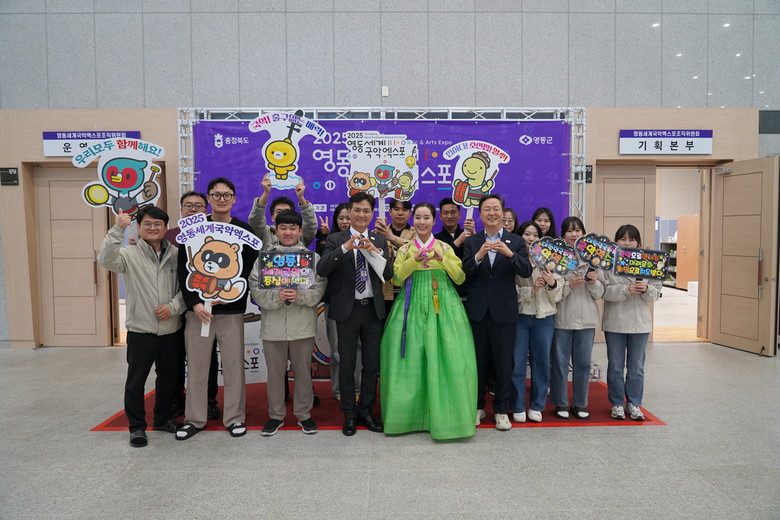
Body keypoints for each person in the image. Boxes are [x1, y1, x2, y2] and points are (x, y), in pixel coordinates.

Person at [379, 203, 477, 440]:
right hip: (410, 305)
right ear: (414, 221)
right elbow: (397, 279)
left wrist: (443, 259)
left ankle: (447, 419)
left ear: (434, 221)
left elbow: (460, 277)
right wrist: (413, 260)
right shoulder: (406, 249)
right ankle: (407, 418)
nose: (422, 222)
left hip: (444, 305)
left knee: (446, 357)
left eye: (427, 218)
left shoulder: (445, 247)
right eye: (418, 218)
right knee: (410, 359)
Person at [175, 177, 259, 440]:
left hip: (231, 310)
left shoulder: (244, 231)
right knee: (197, 367)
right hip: (198, 312)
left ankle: (234, 418)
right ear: (209, 199)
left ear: (234, 199)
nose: (221, 199)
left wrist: (228, 292)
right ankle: (194, 419)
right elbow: (183, 270)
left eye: (226, 195)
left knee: (234, 365)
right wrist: (194, 303)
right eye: (216, 195)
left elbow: (247, 270)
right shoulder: (194, 229)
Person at [98, 206, 184, 447]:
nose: (153, 228)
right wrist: (118, 229)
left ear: (166, 228)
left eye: (158, 224)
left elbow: (187, 287)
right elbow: (106, 259)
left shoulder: (177, 254)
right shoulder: (128, 254)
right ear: (138, 227)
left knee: (168, 379)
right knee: (136, 382)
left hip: (171, 329)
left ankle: (163, 419)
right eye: (147, 223)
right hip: (140, 330)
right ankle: (136, 427)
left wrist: (173, 307)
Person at [317, 192, 393, 436]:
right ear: (349, 212)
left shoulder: (378, 239)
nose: (361, 215)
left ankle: (367, 411)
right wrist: (345, 247)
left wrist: (375, 252)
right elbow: (322, 268)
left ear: (372, 214)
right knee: (347, 364)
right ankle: (349, 413)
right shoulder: (335, 239)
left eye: (366, 211)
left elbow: (389, 274)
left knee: (371, 365)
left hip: (372, 310)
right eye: (357, 210)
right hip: (346, 312)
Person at [249, 210, 327, 435]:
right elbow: (255, 288)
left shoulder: (312, 258)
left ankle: (304, 414)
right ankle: (276, 415)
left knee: (303, 373)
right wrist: (276, 296)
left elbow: (319, 288)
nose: (288, 232)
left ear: (300, 231)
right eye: (283, 228)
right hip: (273, 327)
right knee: (275, 375)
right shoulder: (265, 258)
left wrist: (299, 295)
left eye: (293, 228)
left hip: (302, 326)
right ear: (276, 230)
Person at [463, 194, 532, 431]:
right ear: (480, 214)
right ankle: (477, 406)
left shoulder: (516, 241)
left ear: (503, 213)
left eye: (496, 209)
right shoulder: (472, 242)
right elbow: (463, 274)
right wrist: (478, 256)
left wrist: (510, 255)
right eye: (487, 209)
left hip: (504, 312)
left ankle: (502, 409)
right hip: (478, 311)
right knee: (477, 362)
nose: (492, 213)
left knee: (504, 364)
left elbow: (526, 271)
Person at [165, 191, 222, 422]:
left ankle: (209, 400)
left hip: (202, 308)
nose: (193, 210)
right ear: (181, 210)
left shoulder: (214, 234)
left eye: (198, 206)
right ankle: (176, 399)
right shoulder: (169, 235)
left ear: (206, 210)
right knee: (174, 357)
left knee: (208, 358)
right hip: (171, 308)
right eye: (188, 205)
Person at [602, 224, 662, 421]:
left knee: (636, 366)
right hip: (615, 321)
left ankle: (634, 403)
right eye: (623, 239)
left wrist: (647, 289)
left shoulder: (649, 262)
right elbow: (603, 291)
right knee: (615, 365)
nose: (627, 243)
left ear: (638, 242)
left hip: (640, 323)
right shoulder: (608, 263)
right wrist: (625, 290)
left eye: (631, 239)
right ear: (616, 241)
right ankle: (617, 403)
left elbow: (656, 293)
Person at [549, 216, 604, 420]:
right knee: (560, 363)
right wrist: (568, 286)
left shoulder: (593, 259)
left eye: (578, 230)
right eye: (569, 230)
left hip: (587, 319)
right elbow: (552, 290)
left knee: (583, 364)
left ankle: (580, 403)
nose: (574, 234)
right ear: (562, 235)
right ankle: (561, 403)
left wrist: (593, 283)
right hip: (562, 318)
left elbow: (600, 293)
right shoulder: (555, 258)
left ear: (583, 234)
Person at [510, 221, 562, 424]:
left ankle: (537, 406)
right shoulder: (514, 259)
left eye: (535, 235)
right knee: (517, 363)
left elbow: (557, 296)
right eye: (527, 234)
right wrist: (530, 291)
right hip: (521, 318)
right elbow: (509, 292)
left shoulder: (551, 261)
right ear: (519, 236)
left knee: (541, 364)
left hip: (544, 319)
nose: (531, 238)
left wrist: (551, 283)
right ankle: (518, 406)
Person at [315, 202, 363, 401]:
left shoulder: (364, 239)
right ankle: (339, 390)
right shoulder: (331, 241)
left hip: (359, 303)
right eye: (341, 218)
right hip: (335, 302)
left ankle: (357, 389)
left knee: (358, 348)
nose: (344, 221)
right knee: (336, 349)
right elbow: (322, 267)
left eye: (347, 218)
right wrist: (323, 238)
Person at [249, 176, 317, 250]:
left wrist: (301, 197)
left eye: (287, 211)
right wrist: (266, 193)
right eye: (279, 212)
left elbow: (311, 225)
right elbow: (256, 220)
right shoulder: (265, 233)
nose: (288, 233)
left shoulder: (299, 233)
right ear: (272, 217)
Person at [375, 198, 415, 315]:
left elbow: (415, 249)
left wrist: (391, 238)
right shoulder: (379, 232)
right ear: (390, 211)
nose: (400, 213)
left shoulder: (416, 233)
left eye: (404, 210)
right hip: (384, 289)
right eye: (396, 209)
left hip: (408, 288)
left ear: (410, 213)